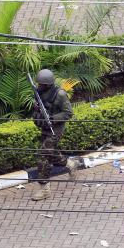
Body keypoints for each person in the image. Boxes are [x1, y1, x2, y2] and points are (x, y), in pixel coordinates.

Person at [31, 69, 77, 201]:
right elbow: (37, 108)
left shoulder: (60, 94)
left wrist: (52, 118)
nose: (39, 86)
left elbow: (68, 113)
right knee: (51, 153)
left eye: (41, 84)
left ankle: (44, 189)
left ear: (48, 84)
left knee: (43, 156)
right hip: (44, 128)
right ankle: (69, 164)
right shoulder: (39, 93)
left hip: (55, 130)